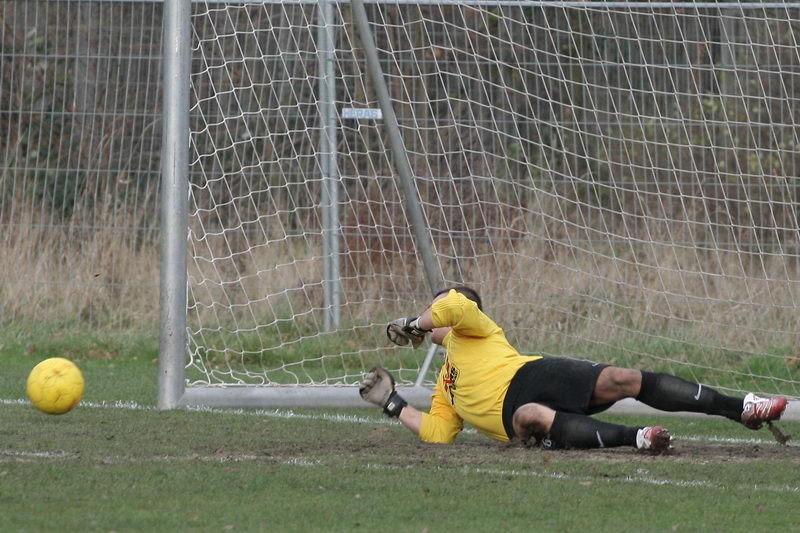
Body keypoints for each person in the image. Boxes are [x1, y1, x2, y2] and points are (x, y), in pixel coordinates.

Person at [359, 286, 789, 451]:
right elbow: (440, 432)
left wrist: (413, 324)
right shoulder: (444, 386)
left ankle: (742, 408)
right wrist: (394, 404)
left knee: (624, 379)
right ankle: (639, 439)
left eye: (432, 311)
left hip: (535, 373)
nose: (430, 316)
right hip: (515, 418)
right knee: (533, 416)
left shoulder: (476, 330)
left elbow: (452, 305)